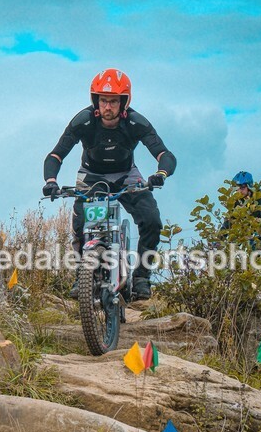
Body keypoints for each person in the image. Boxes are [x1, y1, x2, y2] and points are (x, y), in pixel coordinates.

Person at [43, 68, 176, 300]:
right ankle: (81, 277)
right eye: (103, 100)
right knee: (80, 225)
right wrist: (51, 181)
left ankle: (143, 277)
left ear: (124, 102)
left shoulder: (136, 122)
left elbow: (164, 153)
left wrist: (161, 174)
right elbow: (56, 155)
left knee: (152, 220)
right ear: (96, 100)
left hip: (126, 175)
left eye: (113, 102)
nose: (107, 107)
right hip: (91, 176)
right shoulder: (83, 121)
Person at [220, 171, 261, 250]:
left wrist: (260, 233)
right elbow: (228, 221)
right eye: (237, 188)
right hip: (248, 236)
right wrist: (219, 239)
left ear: (249, 187)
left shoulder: (260, 198)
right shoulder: (237, 201)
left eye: (242, 187)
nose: (239, 191)